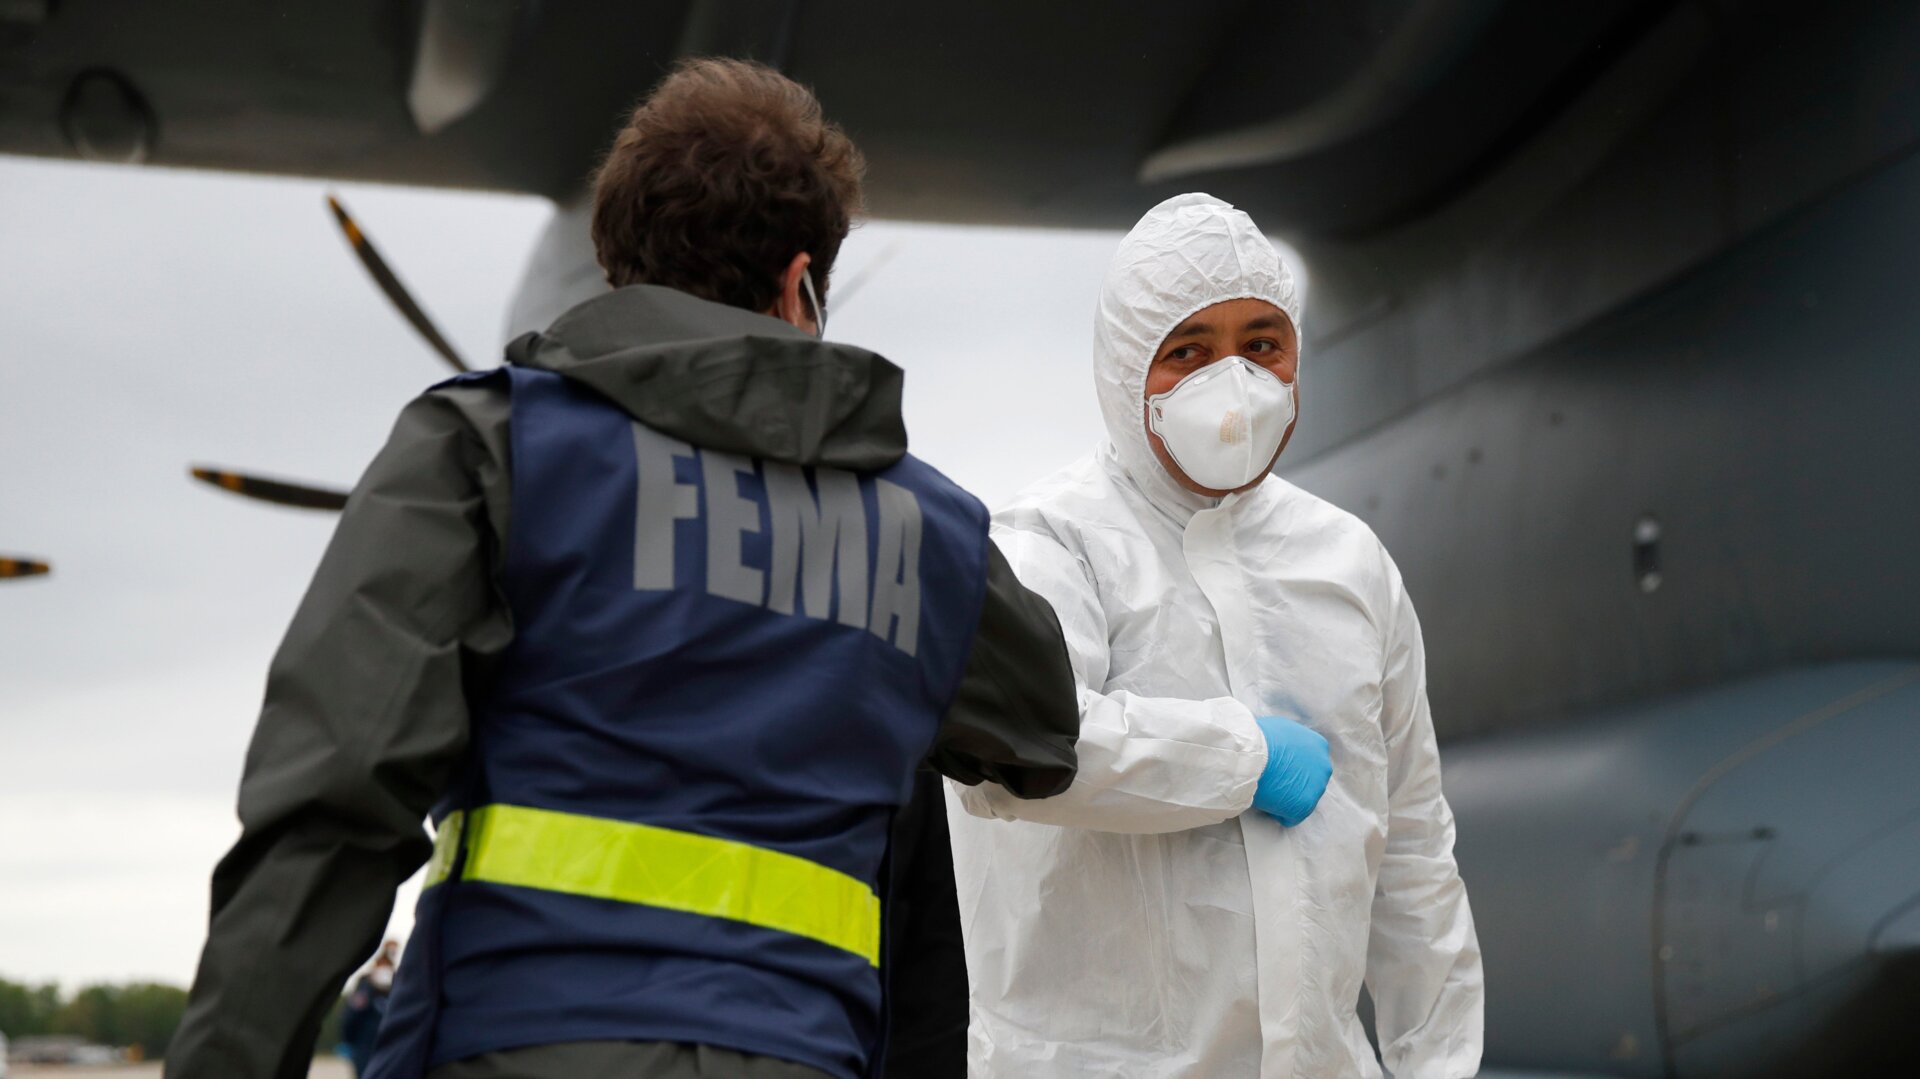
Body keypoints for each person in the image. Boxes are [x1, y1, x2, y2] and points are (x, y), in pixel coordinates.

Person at [165, 58, 1080, 1079]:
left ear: (616, 266)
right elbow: (1041, 731)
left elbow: (333, 806)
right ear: (800, 280)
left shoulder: (487, 445)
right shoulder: (931, 527)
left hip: (509, 1046)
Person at [946, 193, 1483, 1078]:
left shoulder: (1350, 566)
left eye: (1262, 345)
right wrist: (1240, 758)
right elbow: (1018, 754)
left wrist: (1441, 1064)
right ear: (1126, 368)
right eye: (1189, 351)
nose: (1233, 383)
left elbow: (1415, 854)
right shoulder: (1044, 546)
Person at [339, 944, 397, 1077]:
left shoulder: (398, 982)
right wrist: (347, 1039)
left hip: (390, 1046)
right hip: (364, 1047)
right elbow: (351, 1015)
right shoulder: (365, 984)